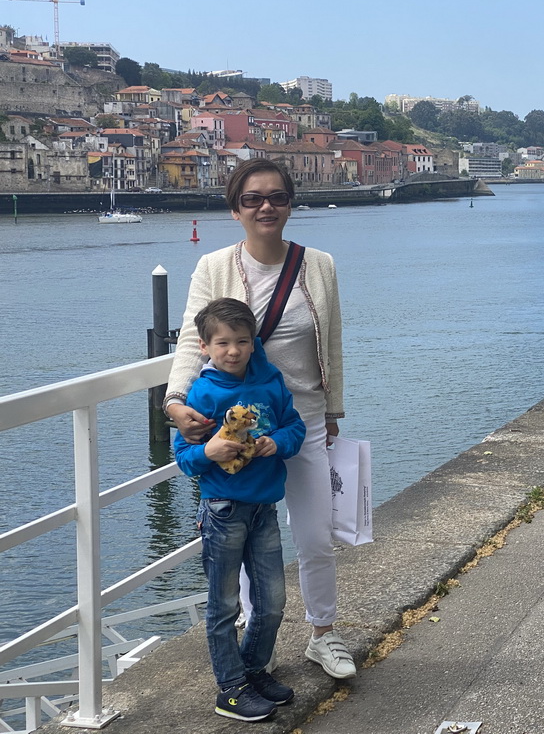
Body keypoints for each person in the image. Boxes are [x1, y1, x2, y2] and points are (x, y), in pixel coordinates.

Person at [164, 158, 357, 681]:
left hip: (304, 418)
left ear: (291, 203)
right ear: (236, 209)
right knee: (248, 535)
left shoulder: (319, 264)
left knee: (315, 535)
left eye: (276, 197)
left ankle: (324, 633)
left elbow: (331, 342)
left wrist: (333, 410)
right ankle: (255, 638)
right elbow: (191, 338)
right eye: (253, 199)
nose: (266, 206)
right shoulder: (213, 266)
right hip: (239, 425)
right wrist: (176, 401)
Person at [174, 298, 306, 722]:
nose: (233, 351)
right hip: (222, 510)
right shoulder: (203, 392)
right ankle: (229, 688)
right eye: (223, 342)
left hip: (264, 508)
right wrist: (209, 451)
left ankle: (252, 670)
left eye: (242, 342)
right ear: (205, 346)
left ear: (255, 344)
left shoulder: (270, 382)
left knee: (272, 601)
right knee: (224, 605)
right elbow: (183, 457)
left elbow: (294, 426)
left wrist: (277, 443)